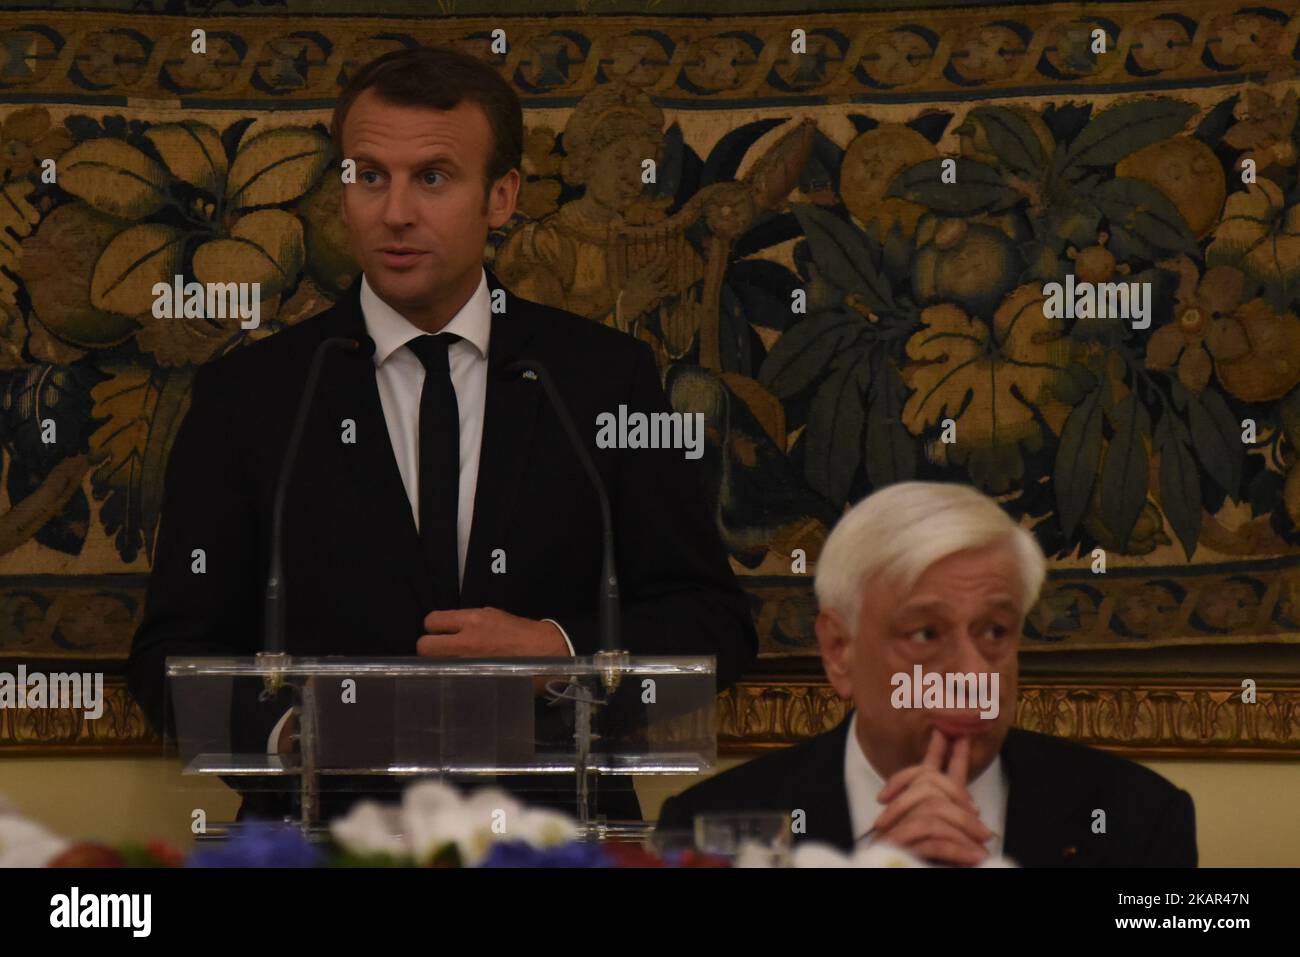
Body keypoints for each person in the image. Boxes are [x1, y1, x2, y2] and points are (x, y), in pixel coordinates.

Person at [127, 45, 757, 821]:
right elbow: (167, 656)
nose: (395, 211)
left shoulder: (603, 379)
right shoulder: (249, 397)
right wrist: (293, 737)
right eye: (369, 176)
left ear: (501, 196)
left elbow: (713, 622)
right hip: (325, 835)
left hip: (554, 834)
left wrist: (563, 653)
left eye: (432, 177)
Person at [658, 481, 1197, 867]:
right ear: (840, 651)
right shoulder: (711, 827)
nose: (970, 672)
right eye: (925, 634)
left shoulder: (1138, 819)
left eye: (994, 633)